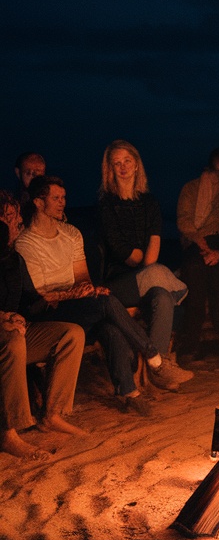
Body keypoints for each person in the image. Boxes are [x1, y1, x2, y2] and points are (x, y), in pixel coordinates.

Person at [16, 175, 185, 414]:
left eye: (64, 197)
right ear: (38, 203)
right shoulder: (26, 243)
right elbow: (44, 295)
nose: (62, 202)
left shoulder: (71, 234)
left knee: (110, 326)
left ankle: (129, 393)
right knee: (105, 303)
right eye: (55, 198)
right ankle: (154, 357)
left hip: (77, 305)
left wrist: (89, 288)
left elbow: (82, 277)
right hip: (49, 312)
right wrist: (80, 294)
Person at [0, 196, 85, 458]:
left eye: (15, 217)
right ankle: (8, 433)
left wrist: (64, 297)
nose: (18, 223)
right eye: (9, 218)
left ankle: (52, 414)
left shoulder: (13, 257)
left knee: (71, 334)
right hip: (5, 331)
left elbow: (27, 299)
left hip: (13, 325)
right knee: (13, 340)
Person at [99, 140, 189, 369]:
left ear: (137, 165)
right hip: (118, 282)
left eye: (127, 161)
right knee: (159, 275)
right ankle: (180, 288)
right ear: (110, 168)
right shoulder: (106, 204)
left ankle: (158, 367)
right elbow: (125, 255)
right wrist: (144, 259)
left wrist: (146, 260)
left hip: (148, 276)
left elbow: (153, 250)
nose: (123, 167)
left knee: (162, 296)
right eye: (116, 163)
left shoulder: (150, 203)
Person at [176, 148, 219, 360]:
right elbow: (184, 219)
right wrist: (201, 243)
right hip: (196, 241)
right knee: (195, 285)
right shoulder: (192, 189)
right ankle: (191, 343)